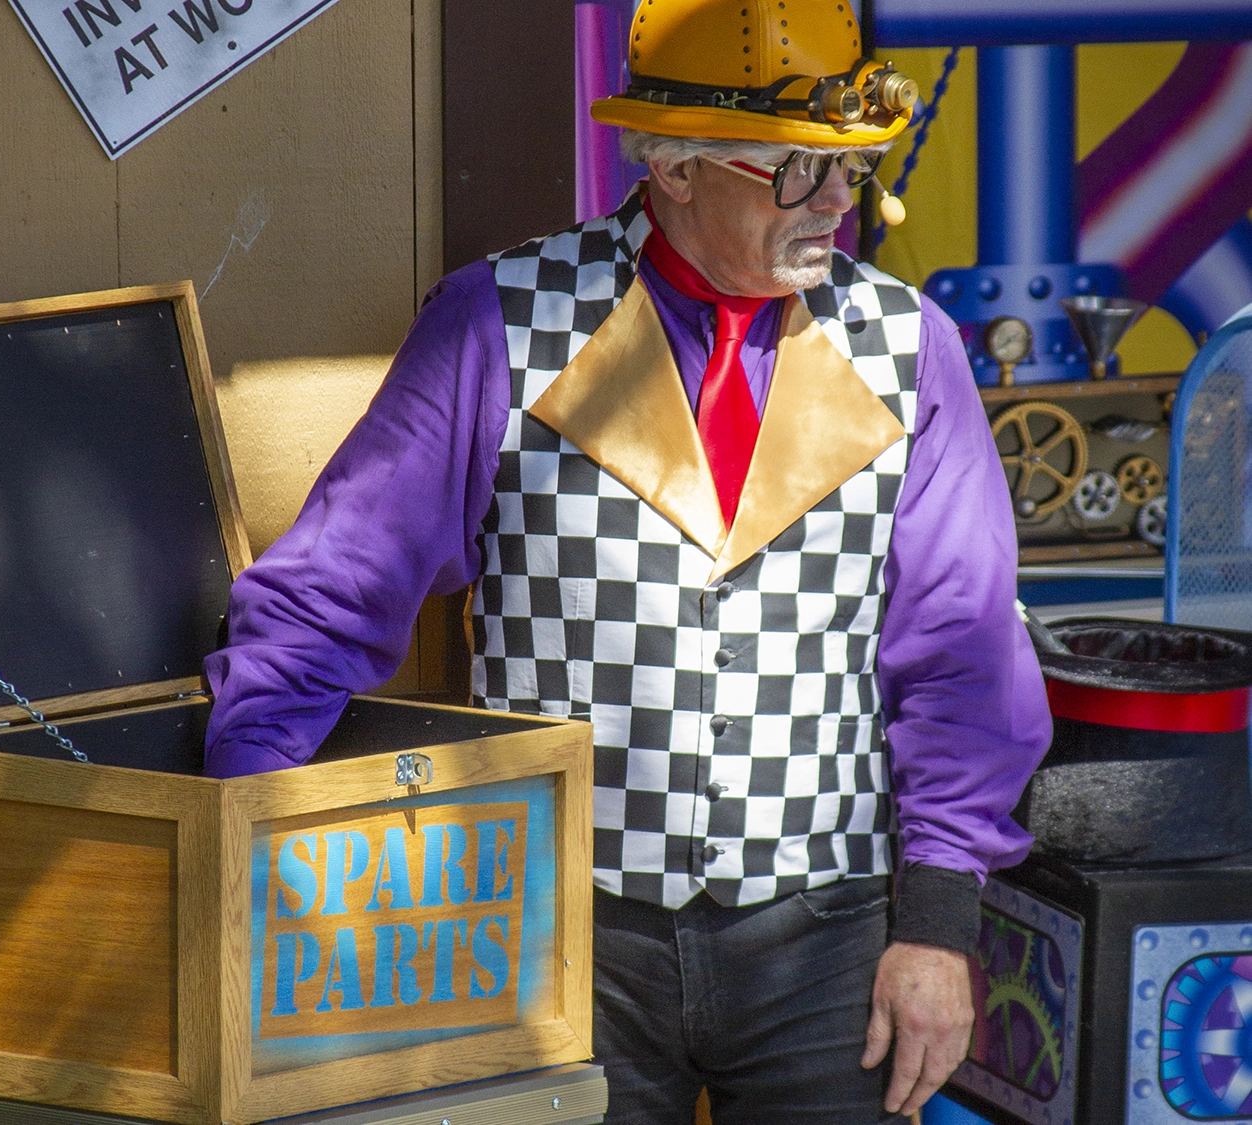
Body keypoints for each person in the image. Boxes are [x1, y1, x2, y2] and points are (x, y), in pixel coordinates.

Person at [203, 1, 1052, 1121]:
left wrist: (939, 928)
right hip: (551, 930)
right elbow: (328, 597)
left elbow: (963, 656)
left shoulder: (912, 346)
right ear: (679, 167)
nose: (840, 204)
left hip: (833, 942)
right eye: (798, 172)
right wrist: (251, 848)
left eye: (850, 168)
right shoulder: (499, 322)